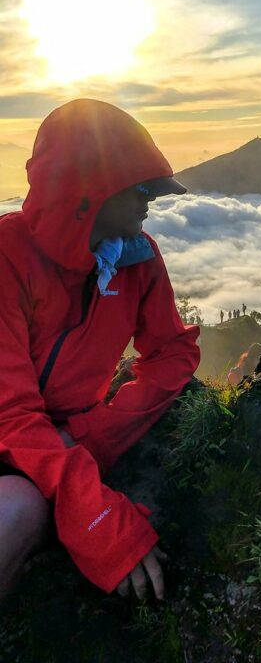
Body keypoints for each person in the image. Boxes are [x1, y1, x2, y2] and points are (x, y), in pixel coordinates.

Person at [0, 99, 200, 605]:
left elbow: (172, 353)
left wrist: (94, 431)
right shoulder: (7, 255)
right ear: (87, 190)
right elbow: (12, 418)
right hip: (12, 442)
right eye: (140, 188)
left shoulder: (138, 257)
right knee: (17, 510)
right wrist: (100, 523)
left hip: (54, 446)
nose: (150, 202)